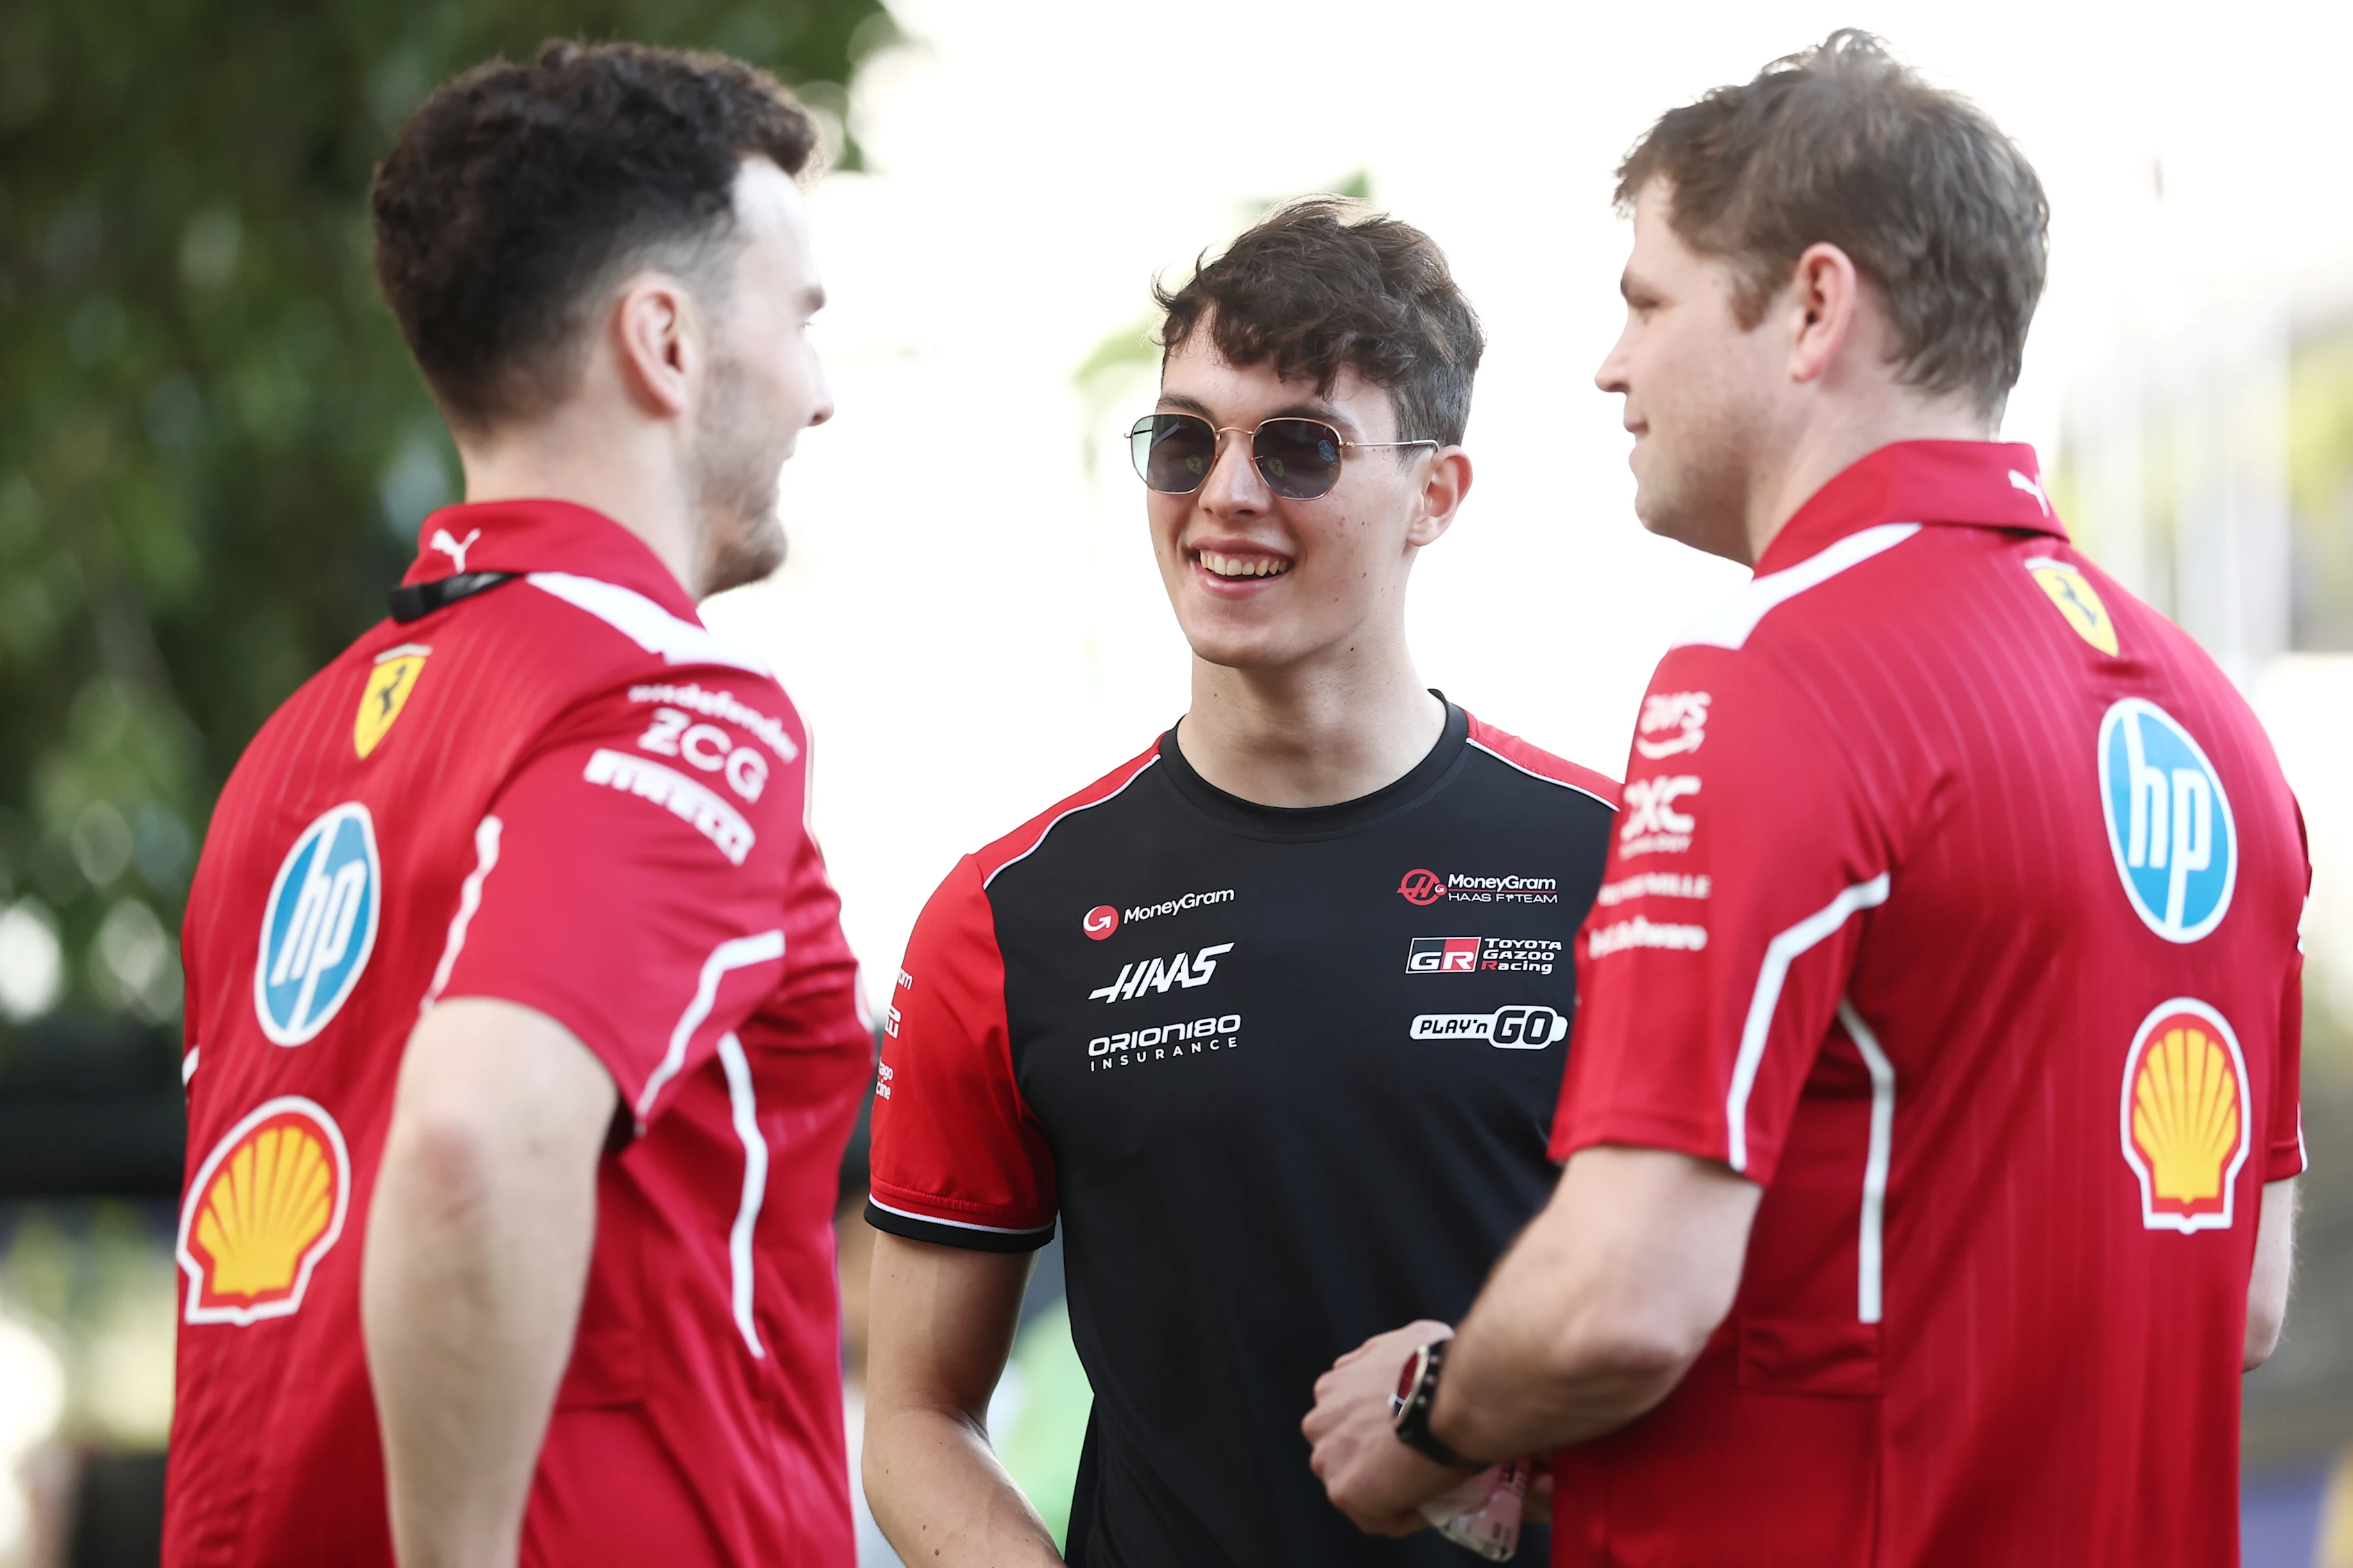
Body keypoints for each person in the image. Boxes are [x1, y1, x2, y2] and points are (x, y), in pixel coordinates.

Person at [1303, 31, 2309, 1567]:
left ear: (1815, 308)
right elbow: (2238, 1298)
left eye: (1649, 302)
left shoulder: (1774, 678)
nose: (1611, 364)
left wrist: (1436, 1414)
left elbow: (1622, 1296)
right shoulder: (2215, 721)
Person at [164, 42, 872, 1568]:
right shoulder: (669, 706)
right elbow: (473, 1139)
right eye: (800, 321)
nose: (819, 395)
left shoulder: (286, 752)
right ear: (664, 340)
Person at [858, 199, 1619, 1567]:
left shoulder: (1617, 863)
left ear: (1437, 495)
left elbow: (1745, 1330)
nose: (1225, 494)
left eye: (1298, 447)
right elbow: (916, 1414)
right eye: (1183, 439)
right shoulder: (1008, 914)